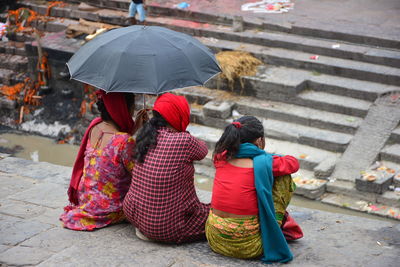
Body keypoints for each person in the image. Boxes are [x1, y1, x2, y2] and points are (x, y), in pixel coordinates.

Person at [205, 116, 302, 263]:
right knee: (283, 178)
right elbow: (293, 164)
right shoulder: (264, 162)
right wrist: (267, 156)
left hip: (215, 239)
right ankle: (274, 228)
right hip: (249, 247)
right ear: (259, 141)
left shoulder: (220, 156)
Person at [123, 93, 210, 243]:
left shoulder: (146, 134)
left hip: (133, 215)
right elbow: (203, 151)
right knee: (215, 214)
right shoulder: (184, 140)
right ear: (179, 115)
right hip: (165, 228)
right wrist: (185, 134)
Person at [60, 90, 147, 231]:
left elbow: (114, 149)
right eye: (131, 107)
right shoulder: (125, 140)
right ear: (123, 109)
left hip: (87, 201)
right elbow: (140, 173)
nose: (132, 111)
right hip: (109, 208)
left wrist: (135, 128)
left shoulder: (95, 126)